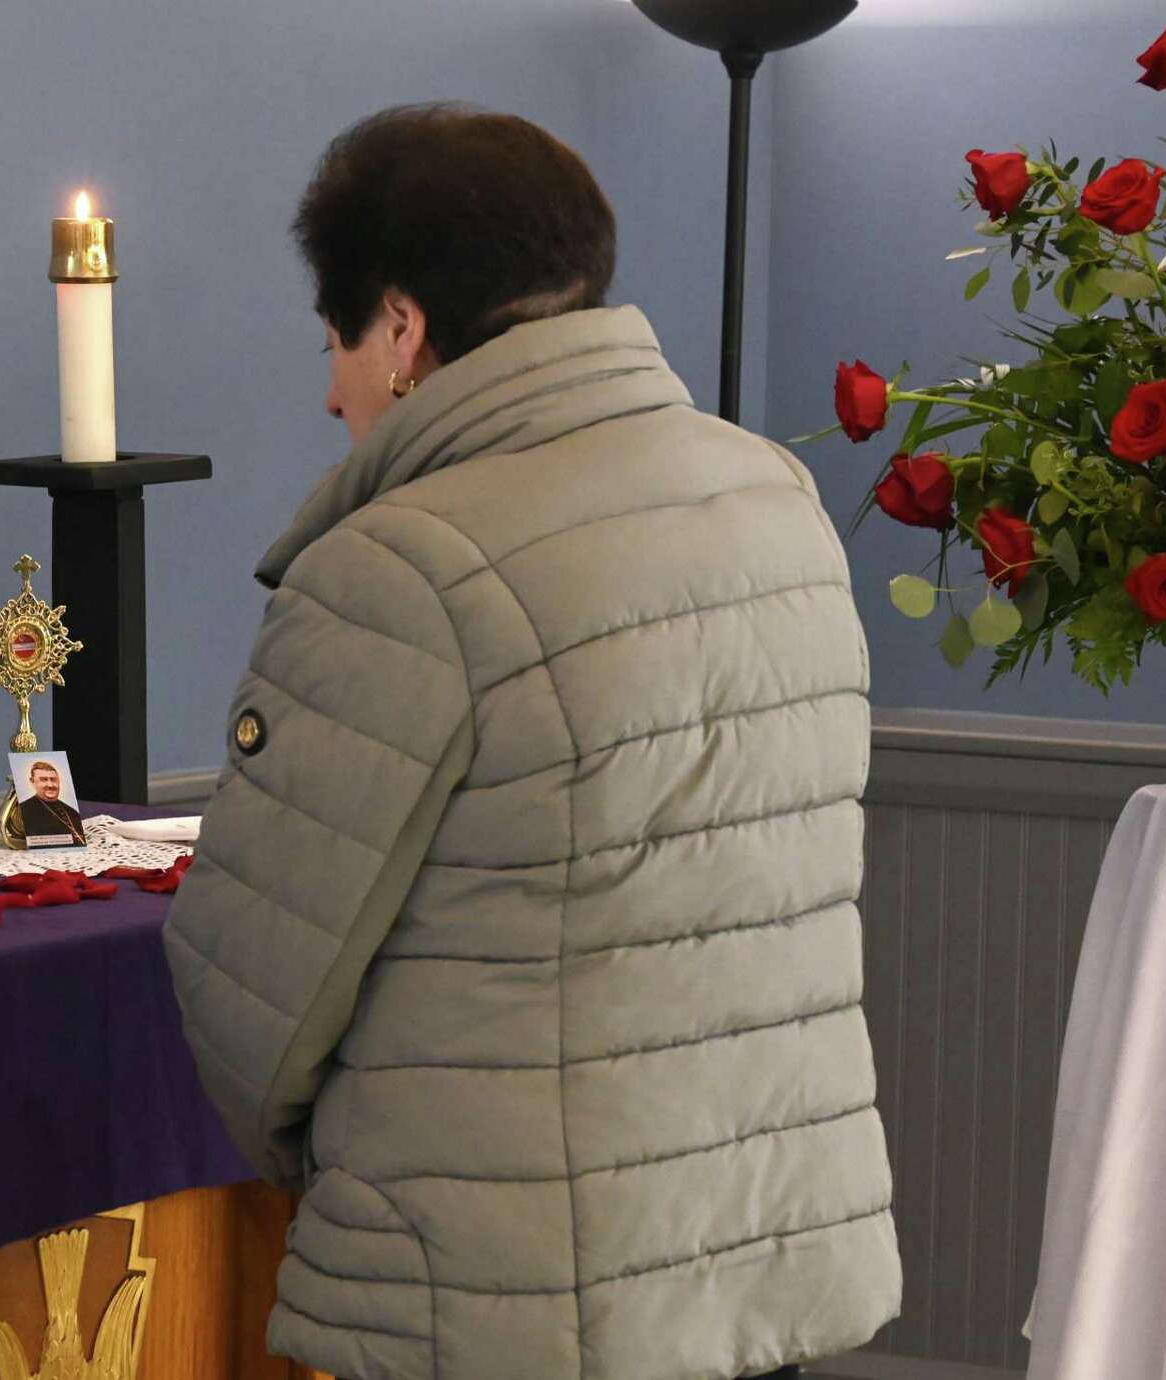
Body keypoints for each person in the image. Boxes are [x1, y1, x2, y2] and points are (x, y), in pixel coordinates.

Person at [162, 104, 900, 1380]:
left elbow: (254, 999)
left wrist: (350, 1171)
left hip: (502, 1292)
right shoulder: (772, 498)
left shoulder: (399, 570)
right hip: (759, 1254)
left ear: (400, 327)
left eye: (333, 339)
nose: (329, 387)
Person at [12, 760, 85, 846]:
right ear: (32, 781)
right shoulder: (24, 810)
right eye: (44, 780)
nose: (50, 785)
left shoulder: (72, 812)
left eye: (53, 780)